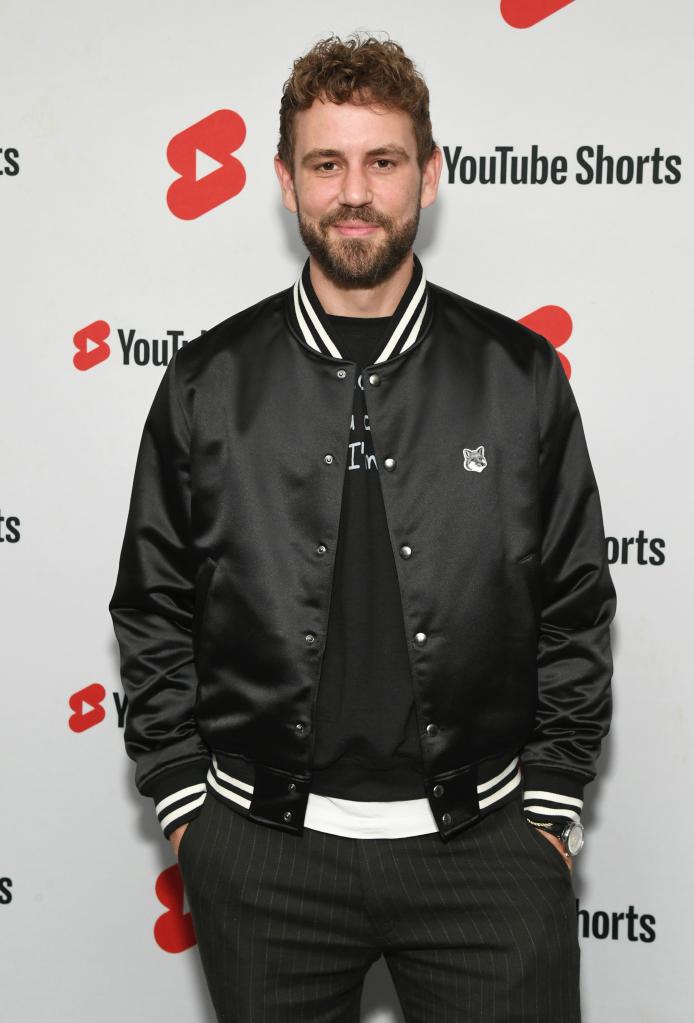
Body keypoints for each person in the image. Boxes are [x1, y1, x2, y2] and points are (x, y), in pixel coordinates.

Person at [109, 32, 616, 1023]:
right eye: (326, 163)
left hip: (485, 850)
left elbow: (574, 602)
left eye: (381, 161)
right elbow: (154, 602)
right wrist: (184, 803)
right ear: (284, 181)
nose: (354, 192)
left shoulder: (515, 375)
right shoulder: (208, 384)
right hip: (265, 860)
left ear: (426, 176)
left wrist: (549, 806)